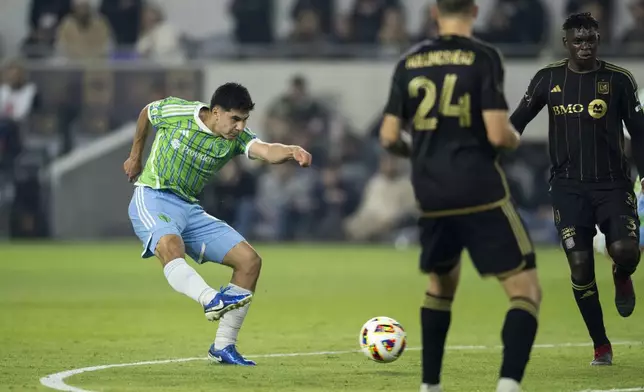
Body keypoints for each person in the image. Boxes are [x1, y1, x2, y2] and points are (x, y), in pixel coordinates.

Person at [379, 1, 541, 391]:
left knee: (440, 287)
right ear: (475, 10)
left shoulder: (409, 61)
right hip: (479, 190)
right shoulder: (483, 57)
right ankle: (507, 385)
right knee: (525, 291)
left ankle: (430, 386)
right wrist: (515, 140)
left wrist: (418, 153)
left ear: (434, 12)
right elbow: (499, 134)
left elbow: (387, 136)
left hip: (431, 194)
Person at [123, 83, 312, 366]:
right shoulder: (179, 111)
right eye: (235, 118)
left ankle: (223, 346)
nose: (240, 126)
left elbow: (266, 150)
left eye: (244, 120)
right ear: (215, 112)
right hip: (153, 196)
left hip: (189, 208)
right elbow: (147, 113)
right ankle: (210, 298)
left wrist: (292, 150)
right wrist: (135, 156)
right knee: (170, 245)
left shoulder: (236, 138)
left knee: (249, 261)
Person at [510, 12, 644, 366]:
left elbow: (640, 133)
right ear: (566, 42)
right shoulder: (547, 79)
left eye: (591, 39)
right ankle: (601, 344)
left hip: (613, 184)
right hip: (567, 187)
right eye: (578, 40)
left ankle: (621, 273)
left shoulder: (619, 80)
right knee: (581, 265)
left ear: (599, 40)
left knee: (627, 250)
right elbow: (517, 124)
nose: (585, 46)